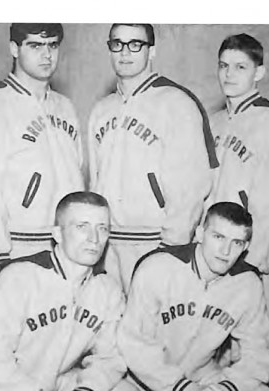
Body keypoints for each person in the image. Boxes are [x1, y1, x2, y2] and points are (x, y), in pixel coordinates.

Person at [0, 192, 143, 391]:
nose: (94, 238)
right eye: (82, 226)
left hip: (51, 384)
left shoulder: (107, 289)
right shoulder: (19, 277)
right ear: (57, 234)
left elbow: (109, 357)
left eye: (102, 228)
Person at [87, 23, 218, 292]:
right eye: (117, 43)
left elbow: (191, 187)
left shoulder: (176, 102)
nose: (125, 52)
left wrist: (171, 247)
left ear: (152, 51)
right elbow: (94, 180)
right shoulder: (102, 109)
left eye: (135, 44)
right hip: (107, 243)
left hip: (154, 242)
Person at [117, 202, 269, 391]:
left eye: (237, 242)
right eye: (218, 237)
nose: (226, 251)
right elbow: (134, 343)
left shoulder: (247, 284)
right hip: (149, 381)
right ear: (200, 234)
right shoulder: (158, 268)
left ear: (246, 247)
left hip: (203, 378)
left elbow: (258, 354)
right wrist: (183, 388)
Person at [0, 23, 84, 284]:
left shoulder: (65, 107)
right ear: (14, 48)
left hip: (67, 249)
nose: (46, 55)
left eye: (53, 45)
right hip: (15, 251)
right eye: (35, 45)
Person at [209, 33, 269, 343]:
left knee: (262, 349)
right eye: (223, 66)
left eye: (240, 67)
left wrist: (256, 261)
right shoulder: (214, 122)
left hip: (252, 260)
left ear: (259, 72)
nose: (229, 74)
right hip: (216, 255)